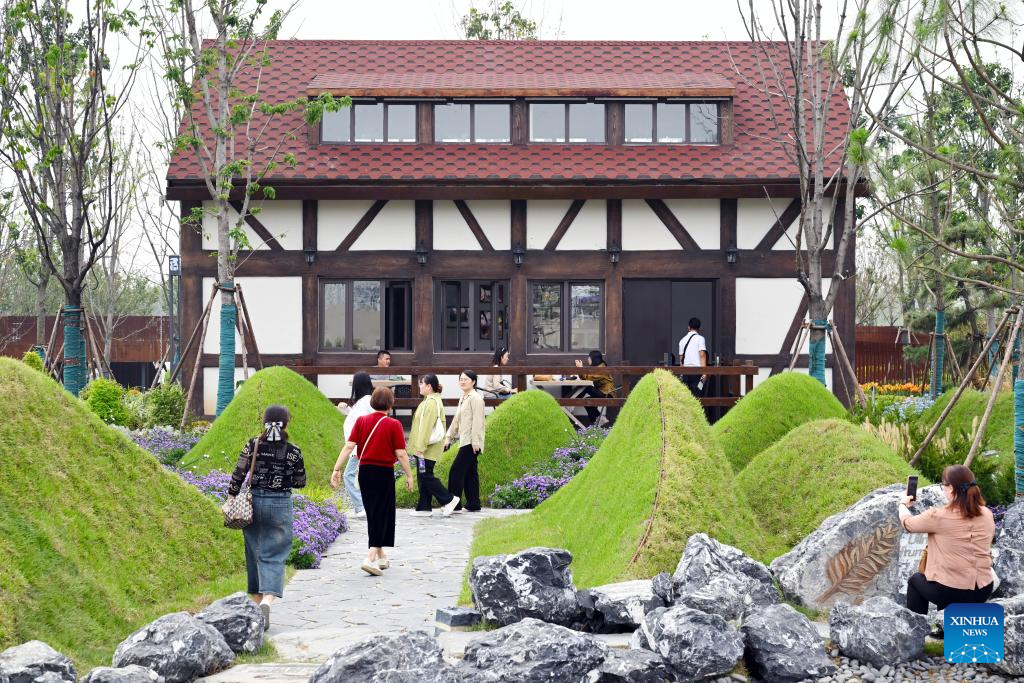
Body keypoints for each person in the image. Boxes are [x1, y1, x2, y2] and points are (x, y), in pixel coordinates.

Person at [223, 404, 305, 629]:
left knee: (254, 553)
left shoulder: (253, 444)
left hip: (254, 503)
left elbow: (239, 473)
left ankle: (258, 606)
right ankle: (268, 601)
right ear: (286, 424)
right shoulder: (294, 451)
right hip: (280, 505)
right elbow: (300, 481)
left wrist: (230, 498)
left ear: (264, 422)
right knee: (275, 554)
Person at [331, 387, 414, 576]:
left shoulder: (361, 421)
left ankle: (382, 556)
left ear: (372, 402)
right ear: (391, 404)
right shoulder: (394, 424)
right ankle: (369, 558)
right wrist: (409, 475)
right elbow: (401, 453)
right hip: (384, 473)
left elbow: (349, 446)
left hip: (365, 472)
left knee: (374, 513)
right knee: (382, 514)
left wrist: (336, 468)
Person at [899, 464, 996, 616]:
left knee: (915, 581)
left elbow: (908, 524)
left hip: (953, 593)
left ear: (951, 488)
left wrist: (903, 504)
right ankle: (946, 624)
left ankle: (918, 626)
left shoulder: (938, 516)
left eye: (943, 485)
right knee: (946, 580)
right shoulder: (987, 513)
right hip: (983, 589)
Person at [407, 374, 461, 517]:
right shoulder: (429, 400)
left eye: (421, 383)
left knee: (425, 475)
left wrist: (420, 448)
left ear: (429, 386)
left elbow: (426, 427)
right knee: (423, 475)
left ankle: (449, 499)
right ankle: (424, 507)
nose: (419, 386)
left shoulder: (430, 402)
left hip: (425, 449)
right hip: (425, 448)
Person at [444, 370, 485, 513]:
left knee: (456, 471)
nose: (462, 381)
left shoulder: (476, 398)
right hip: (465, 440)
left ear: (473, 382)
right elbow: (456, 420)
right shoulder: (463, 398)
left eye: (465, 379)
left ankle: (453, 504)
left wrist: (475, 441)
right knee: (470, 473)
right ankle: (473, 503)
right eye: (460, 379)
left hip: (471, 442)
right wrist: (448, 437)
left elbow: (478, 421)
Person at [335, 372, 374, 518]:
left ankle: (360, 507)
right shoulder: (363, 401)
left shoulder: (367, 401)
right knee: (360, 477)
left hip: (360, 447)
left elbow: (371, 419)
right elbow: (359, 418)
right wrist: (346, 409)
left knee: (349, 475)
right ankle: (365, 506)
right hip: (360, 446)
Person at [575, 349, 614, 427]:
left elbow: (587, 378)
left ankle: (572, 402)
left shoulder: (601, 368)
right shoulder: (598, 367)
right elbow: (586, 377)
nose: (588, 360)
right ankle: (600, 422)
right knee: (587, 402)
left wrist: (580, 368)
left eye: (589, 358)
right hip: (602, 392)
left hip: (607, 394)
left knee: (587, 387)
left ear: (594, 359)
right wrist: (580, 369)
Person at [677, 317, 708, 396]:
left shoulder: (682, 340)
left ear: (688, 327)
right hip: (697, 373)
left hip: (685, 373)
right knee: (698, 396)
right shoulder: (700, 339)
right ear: (699, 328)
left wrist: (682, 374)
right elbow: (702, 354)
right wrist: (704, 373)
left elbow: (681, 359)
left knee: (687, 397)